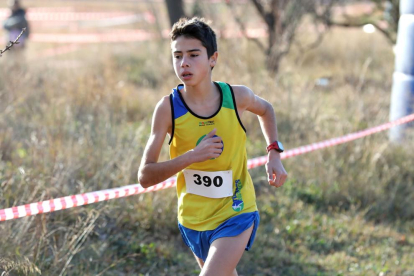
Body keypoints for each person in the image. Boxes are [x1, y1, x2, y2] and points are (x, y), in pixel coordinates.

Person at [138, 17, 287, 276]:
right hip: (193, 219)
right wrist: (192, 156)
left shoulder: (236, 97)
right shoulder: (167, 109)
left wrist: (274, 152)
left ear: (213, 58)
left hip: (236, 212)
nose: (184, 63)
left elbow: (266, 110)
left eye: (194, 54)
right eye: (177, 56)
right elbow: (145, 176)